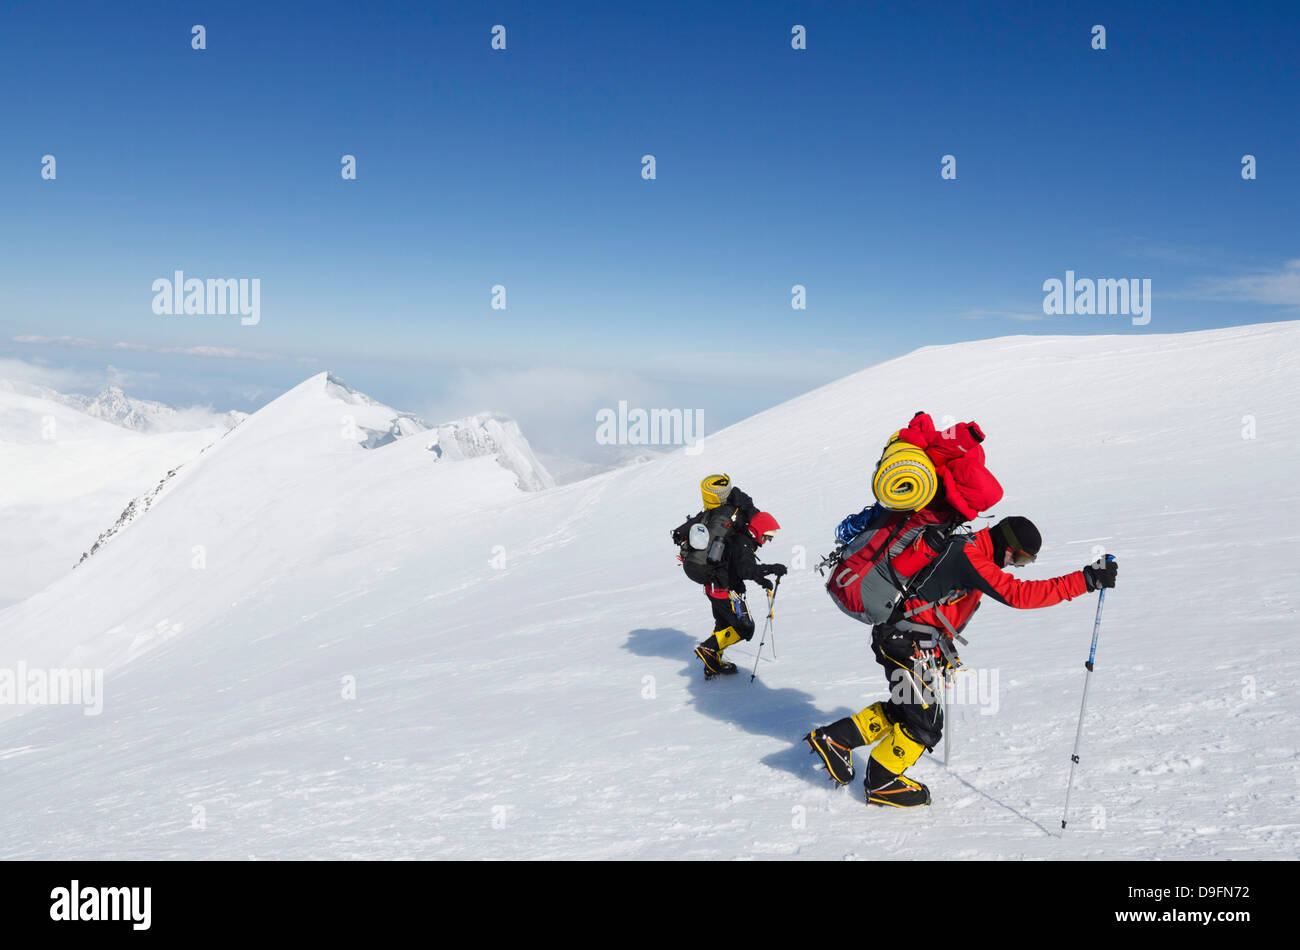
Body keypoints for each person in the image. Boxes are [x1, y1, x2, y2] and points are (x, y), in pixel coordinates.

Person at [806, 515, 1118, 807]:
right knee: (925, 723)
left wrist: (941, 647)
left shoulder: (970, 549)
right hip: (904, 643)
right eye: (1019, 559)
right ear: (1006, 546)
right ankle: (881, 780)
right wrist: (1085, 580)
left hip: (908, 641)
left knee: (910, 709)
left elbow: (936, 602)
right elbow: (1018, 595)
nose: (1018, 567)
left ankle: (835, 739)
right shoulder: (969, 555)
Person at [671, 475, 786, 679]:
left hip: (714, 585)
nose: (767, 541)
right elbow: (745, 570)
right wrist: (771, 569)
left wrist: (762, 580)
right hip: (724, 589)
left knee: (723, 624)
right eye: (767, 536)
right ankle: (709, 649)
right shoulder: (743, 543)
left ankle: (712, 664)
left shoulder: (738, 538)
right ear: (758, 531)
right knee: (744, 628)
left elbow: (740, 566)